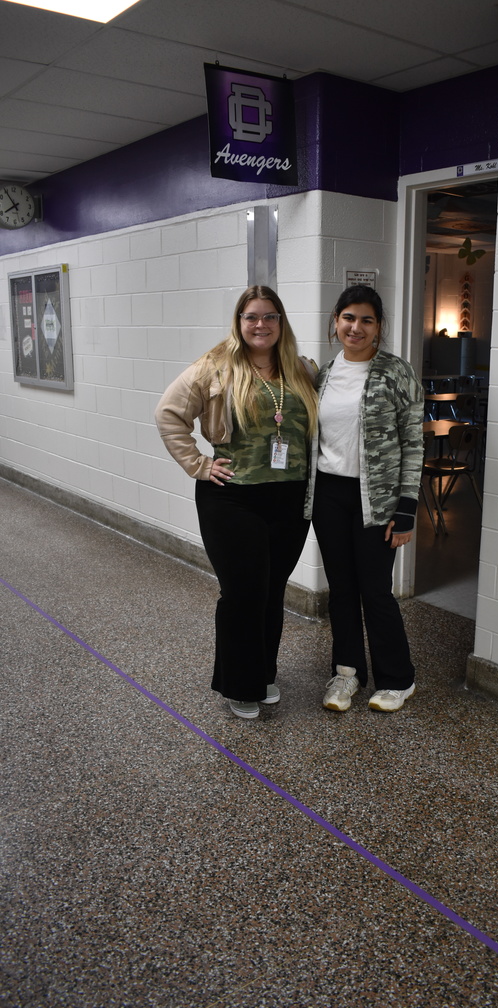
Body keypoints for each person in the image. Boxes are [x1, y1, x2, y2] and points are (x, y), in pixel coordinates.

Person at [155, 285, 317, 720]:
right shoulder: (216, 367)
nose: (260, 324)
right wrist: (199, 465)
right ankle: (237, 684)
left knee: (271, 591)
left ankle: (262, 673)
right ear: (239, 322)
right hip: (232, 498)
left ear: (281, 323)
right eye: (251, 316)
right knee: (243, 592)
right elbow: (168, 414)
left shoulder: (301, 370)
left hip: (289, 498)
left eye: (269, 316)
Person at [306, 285, 424, 713]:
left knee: (375, 591)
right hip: (330, 494)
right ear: (335, 322)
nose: (356, 327)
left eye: (367, 320)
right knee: (340, 590)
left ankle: (397, 679)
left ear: (378, 327)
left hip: (376, 500)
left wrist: (406, 509)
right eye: (348, 318)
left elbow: (413, 442)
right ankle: (346, 673)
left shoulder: (396, 372)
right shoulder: (322, 375)